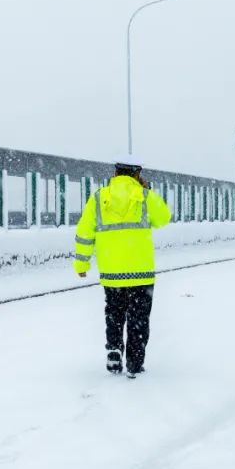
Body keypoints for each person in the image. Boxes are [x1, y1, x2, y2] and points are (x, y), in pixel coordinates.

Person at [73, 155, 171, 378]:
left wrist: (82, 263)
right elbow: (164, 218)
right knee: (138, 318)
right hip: (140, 272)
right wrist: (148, 191)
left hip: (112, 272)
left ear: (115, 173)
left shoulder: (98, 198)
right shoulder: (145, 197)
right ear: (137, 174)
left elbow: (84, 232)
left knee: (114, 313)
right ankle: (135, 363)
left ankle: (114, 348)